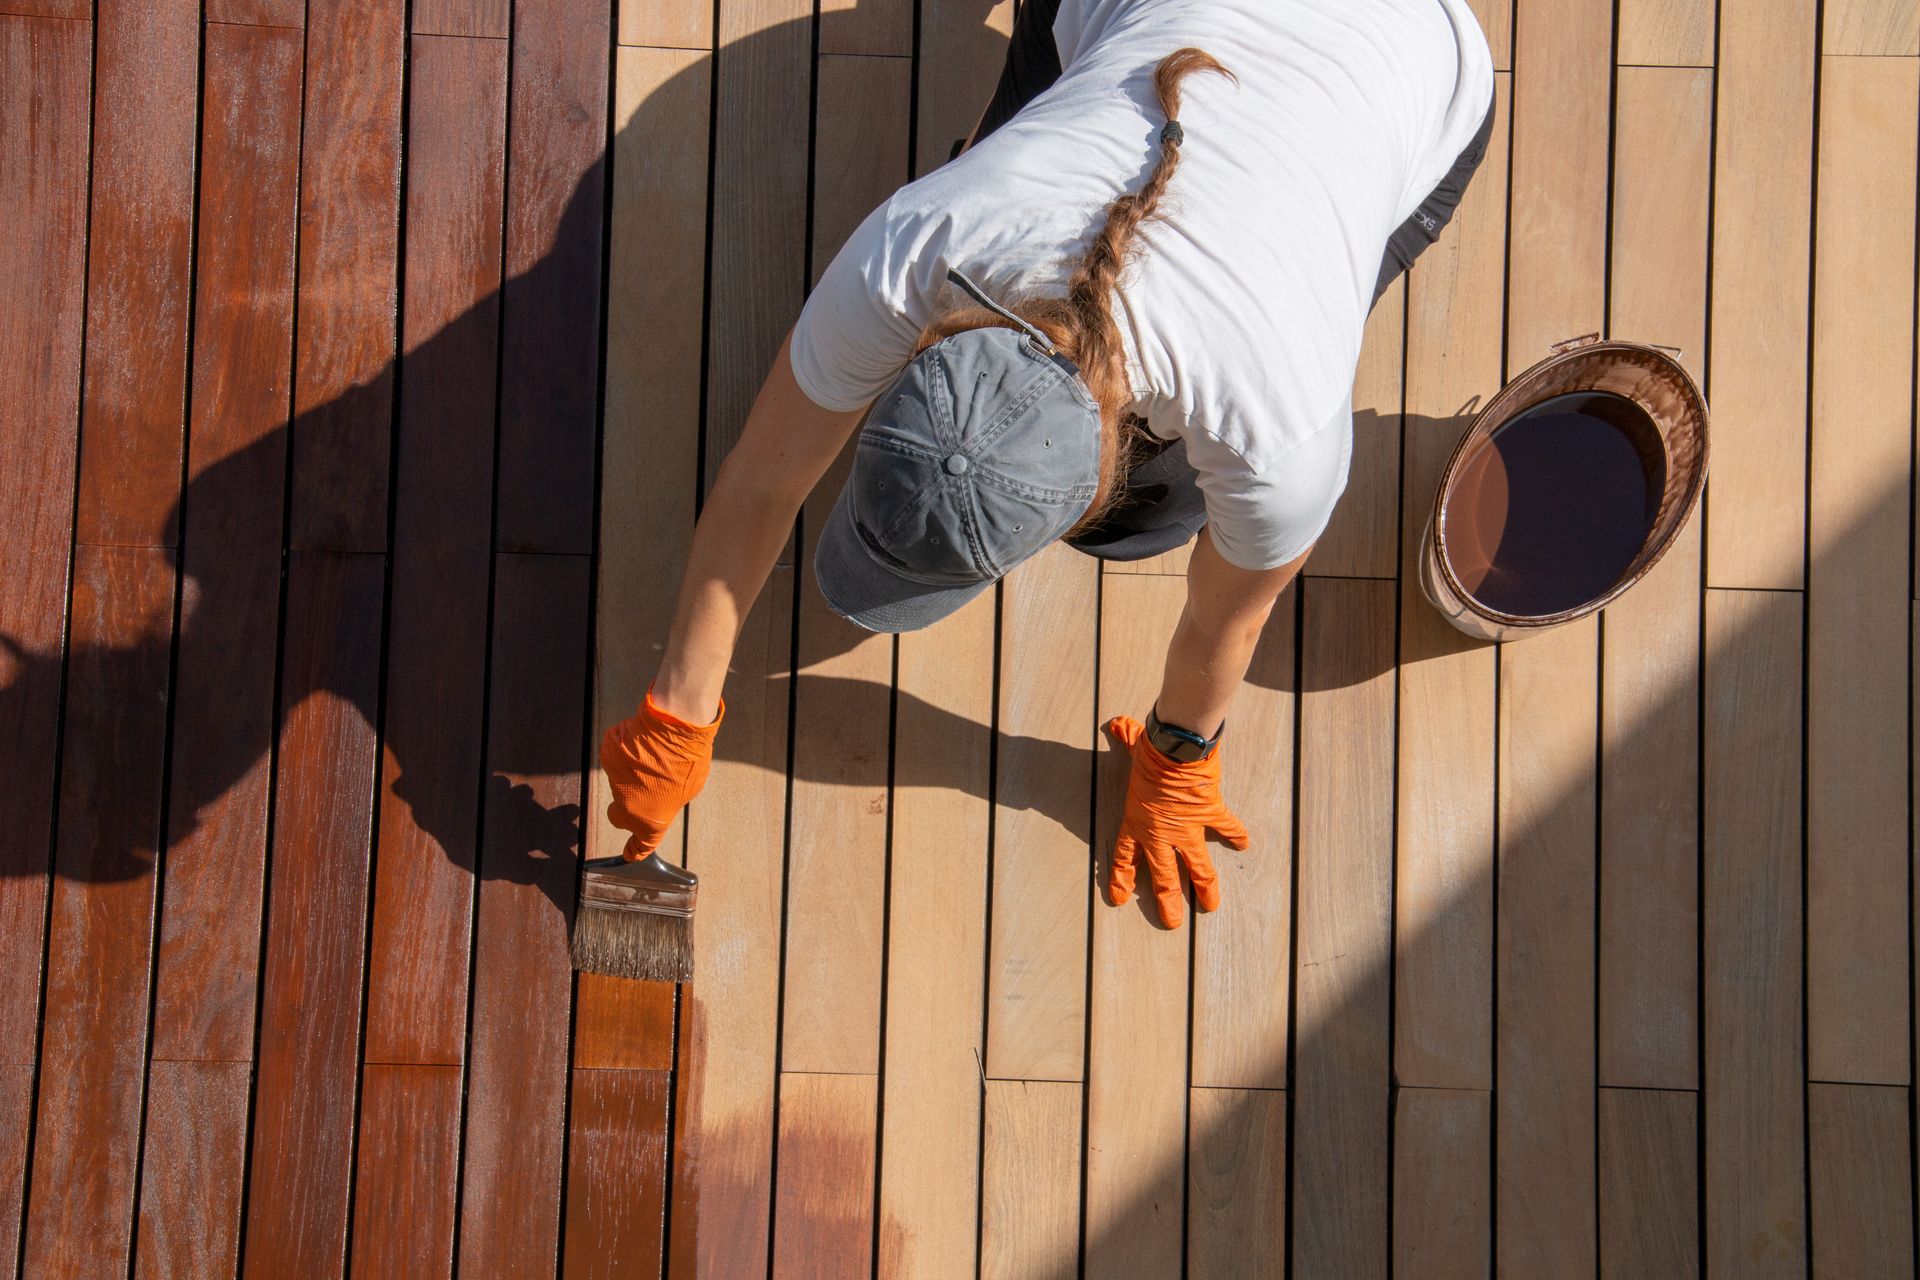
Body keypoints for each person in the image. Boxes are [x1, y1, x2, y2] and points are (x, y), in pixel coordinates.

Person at [602, 0, 1497, 929]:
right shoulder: (924, 237)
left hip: (1417, 63)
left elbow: (1225, 620)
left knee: (1145, 526)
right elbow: (764, 478)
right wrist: (676, 708)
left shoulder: (1277, 427)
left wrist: (1177, 759)